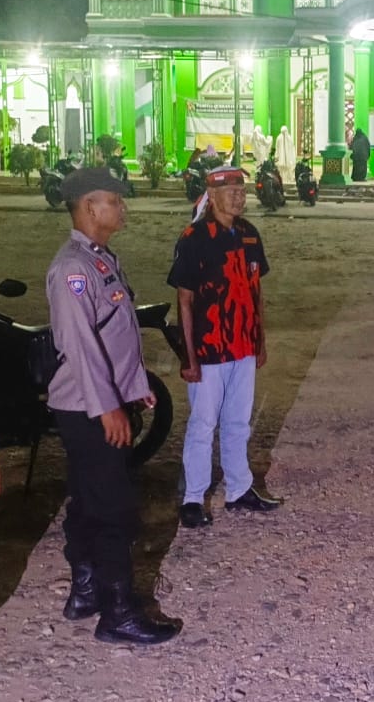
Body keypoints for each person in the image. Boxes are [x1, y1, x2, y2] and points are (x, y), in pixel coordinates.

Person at [46, 168, 183, 647]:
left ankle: (85, 590)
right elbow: (81, 347)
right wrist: (108, 408)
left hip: (97, 400)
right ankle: (119, 612)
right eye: (115, 201)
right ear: (89, 207)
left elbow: (116, 335)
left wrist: (133, 386)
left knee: (90, 498)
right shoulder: (73, 269)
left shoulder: (99, 259)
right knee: (114, 507)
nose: (123, 208)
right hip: (87, 407)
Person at [169, 165, 282, 528]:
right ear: (212, 196)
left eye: (241, 190)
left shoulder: (249, 235)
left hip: (243, 346)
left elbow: (256, 291)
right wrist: (189, 356)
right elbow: (184, 300)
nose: (239, 197)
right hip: (209, 349)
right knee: (203, 424)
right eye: (230, 191)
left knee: (237, 422)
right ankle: (193, 498)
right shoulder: (194, 238)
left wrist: (259, 340)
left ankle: (239, 489)